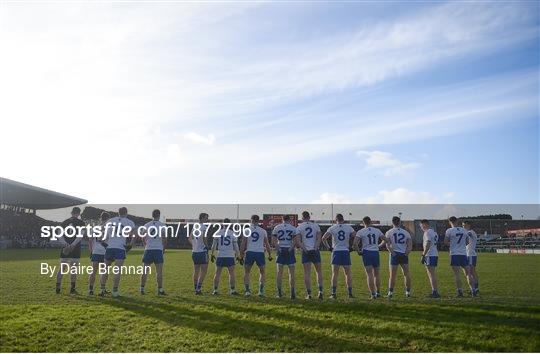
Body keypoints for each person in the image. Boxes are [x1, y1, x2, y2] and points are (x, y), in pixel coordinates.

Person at [99, 207, 137, 298]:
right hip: (120, 248)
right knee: (117, 270)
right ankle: (115, 291)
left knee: (105, 269)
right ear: (126, 213)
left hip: (110, 247)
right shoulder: (129, 222)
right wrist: (130, 244)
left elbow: (102, 229)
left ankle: (102, 289)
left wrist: (103, 240)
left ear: (118, 212)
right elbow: (135, 234)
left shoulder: (111, 220)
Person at [322, 213, 355, 299]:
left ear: (335, 220)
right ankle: (350, 293)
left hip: (336, 251)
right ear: (343, 219)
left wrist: (329, 248)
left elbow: (323, 238)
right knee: (348, 274)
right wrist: (353, 247)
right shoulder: (348, 227)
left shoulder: (332, 227)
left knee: (335, 274)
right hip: (345, 251)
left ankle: (333, 293)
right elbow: (355, 236)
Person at [240, 215, 273, 297]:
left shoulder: (247, 230)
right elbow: (267, 244)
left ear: (251, 220)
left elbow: (243, 243)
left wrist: (241, 254)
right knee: (262, 272)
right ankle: (260, 291)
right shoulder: (263, 231)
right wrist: (269, 254)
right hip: (260, 253)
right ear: (258, 221)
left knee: (247, 272)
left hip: (250, 252)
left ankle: (247, 291)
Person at [354, 216, 385, 299]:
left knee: (369, 274)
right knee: (377, 274)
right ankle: (378, 292)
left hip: (367, 252)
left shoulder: (361, 231)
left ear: (363, 222)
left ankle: (373, 294)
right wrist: (379, 246)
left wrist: (359, 251)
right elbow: (385, 240)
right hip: (375, 252)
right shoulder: (377, 230)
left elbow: (355, 243)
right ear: (371, 222)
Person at [56, 207, 86, 294]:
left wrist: (65, 244)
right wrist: (72, 245)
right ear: (79, 214)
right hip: (75, 248)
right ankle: (72, 289)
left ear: (71, 212)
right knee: (73, 269)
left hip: (65, 247)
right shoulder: (81, 223)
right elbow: (80, 236)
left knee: (62, 268)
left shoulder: (64, 222)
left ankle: (57, 288)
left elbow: (59, 235)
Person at [444, 216, 475, 297]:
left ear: (450, 222)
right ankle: (473, 290)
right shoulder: (464, 230)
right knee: (468, 274)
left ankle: (460, 292)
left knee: (457, 274)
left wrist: (453, 245)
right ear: (457, 221)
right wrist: (461, 245)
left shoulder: (449, 231)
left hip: (454, 254)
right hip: (463, 254)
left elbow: (446, 242)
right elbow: (467, 241)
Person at [383, 216, 412, 298]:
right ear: (400, 222)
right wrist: (406, 254)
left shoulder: (389, 232)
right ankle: (408, 292)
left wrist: (393, 253)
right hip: (403, 254)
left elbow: (387, 245)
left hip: (394, 254)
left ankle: (390, 293)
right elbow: (410, 245)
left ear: (392, 222)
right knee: (406, 274)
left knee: (392, 275)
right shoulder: (406, 232)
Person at [296, 211, 323, 299]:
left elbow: (298, 242)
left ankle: (309, 294)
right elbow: (319, 239)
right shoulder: (316, 226)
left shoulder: (299, 227)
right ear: (309, 217)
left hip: (306, 251)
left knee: (307, 273)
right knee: (318, 271)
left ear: (302, 218)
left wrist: (304, 249)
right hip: (315, 250)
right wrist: (315, 248)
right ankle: (320, 292)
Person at [272, 215, 300, 299]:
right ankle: (292, 293)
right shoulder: (293, 228)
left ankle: (279, 293)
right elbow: (295, 241)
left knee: (279, 273)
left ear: (282, 219)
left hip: (280, 249)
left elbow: (273, 241)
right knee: (291, 273)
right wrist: (290, 249)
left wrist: (279, 249)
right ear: (289, 220)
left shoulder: (277, 227)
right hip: (289, 249)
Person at [139, 209, 167, 296]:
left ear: (152, 215)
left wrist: (145, 245)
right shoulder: (162, 225)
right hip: (158, 250)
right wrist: (163, 249)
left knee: (145, 271)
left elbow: (143, 238)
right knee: (159, 272)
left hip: (148, 250)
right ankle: (160, 290)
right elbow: (164, 239)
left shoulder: (146, 225)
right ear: (159, 215)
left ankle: (142, 289)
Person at [210, 218, 240, 295]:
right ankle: (232, 290)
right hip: (230, 255)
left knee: (217, 273)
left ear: (222, 224)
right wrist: (238, 255)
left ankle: (215, 290)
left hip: (220, 255)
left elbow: (214, 245)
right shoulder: (232, 233)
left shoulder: (218, 232)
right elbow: (236, 246)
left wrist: (212, 254)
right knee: (231, 273)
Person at [187, 213, 210, 295]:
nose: (207, 219)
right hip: (202, 252)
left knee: (196, 271)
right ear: (202, 218)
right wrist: (207, 247)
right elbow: (204, 238)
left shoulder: (195, 226)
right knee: (204, 271)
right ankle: (198, 288)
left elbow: (190, 238)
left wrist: (194, 245)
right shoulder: (204, 227)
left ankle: (196, 288)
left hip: (195, 252)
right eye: (206, 218)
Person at [88, 212, 109, 295]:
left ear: (101, 218)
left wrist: (91, 251)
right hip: (105, 252)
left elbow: (90, 240)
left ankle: (90, 289)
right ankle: (102, 289)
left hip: (95, 251)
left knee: (93, 271)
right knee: (104, 271)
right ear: (107, 219)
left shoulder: (95, 228)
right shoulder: (109, 228)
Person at [420, 219, 440, 298]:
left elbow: (428, 243)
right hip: (434, 254)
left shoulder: (427, 232)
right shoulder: (434, 232)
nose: (421, 227)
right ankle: (435, 291)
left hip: (430, 255)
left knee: (431, 274)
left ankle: (435, 291)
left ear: (425, 224)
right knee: (432, 273)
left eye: (421, 225)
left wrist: (423, 254)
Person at [463, 220, 479, 295]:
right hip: (468, 254)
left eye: (464, 225)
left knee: (471, 272)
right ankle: (475, 288)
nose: (463, 227)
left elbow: (467, 234)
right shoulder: (468, 232)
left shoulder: (471, 232)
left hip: (471, 254)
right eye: (463, 226)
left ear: (469, 225)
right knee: (471, 272)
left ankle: (475, 288)